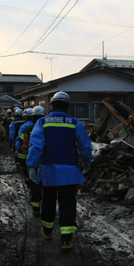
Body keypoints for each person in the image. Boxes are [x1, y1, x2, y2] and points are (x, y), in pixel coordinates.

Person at [26, 92, 92, 251]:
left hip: (49, 172)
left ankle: (47, 231)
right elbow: (85, 147)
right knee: (68, 204)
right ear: (67, 106)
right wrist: (87, 162)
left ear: (52, 105)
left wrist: (32, 165)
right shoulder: (75, 123)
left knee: (48, 201)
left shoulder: (42, 122)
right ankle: (66, 239)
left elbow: (36, 146)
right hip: (70, 172)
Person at [15, 105, 45, 215]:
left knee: (34, 184)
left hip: (32, 159)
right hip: (46, 161)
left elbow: (22, 144)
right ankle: (45, 205)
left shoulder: (27, 129)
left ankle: (36, 207)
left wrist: (18, 151)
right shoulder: (48, 128)